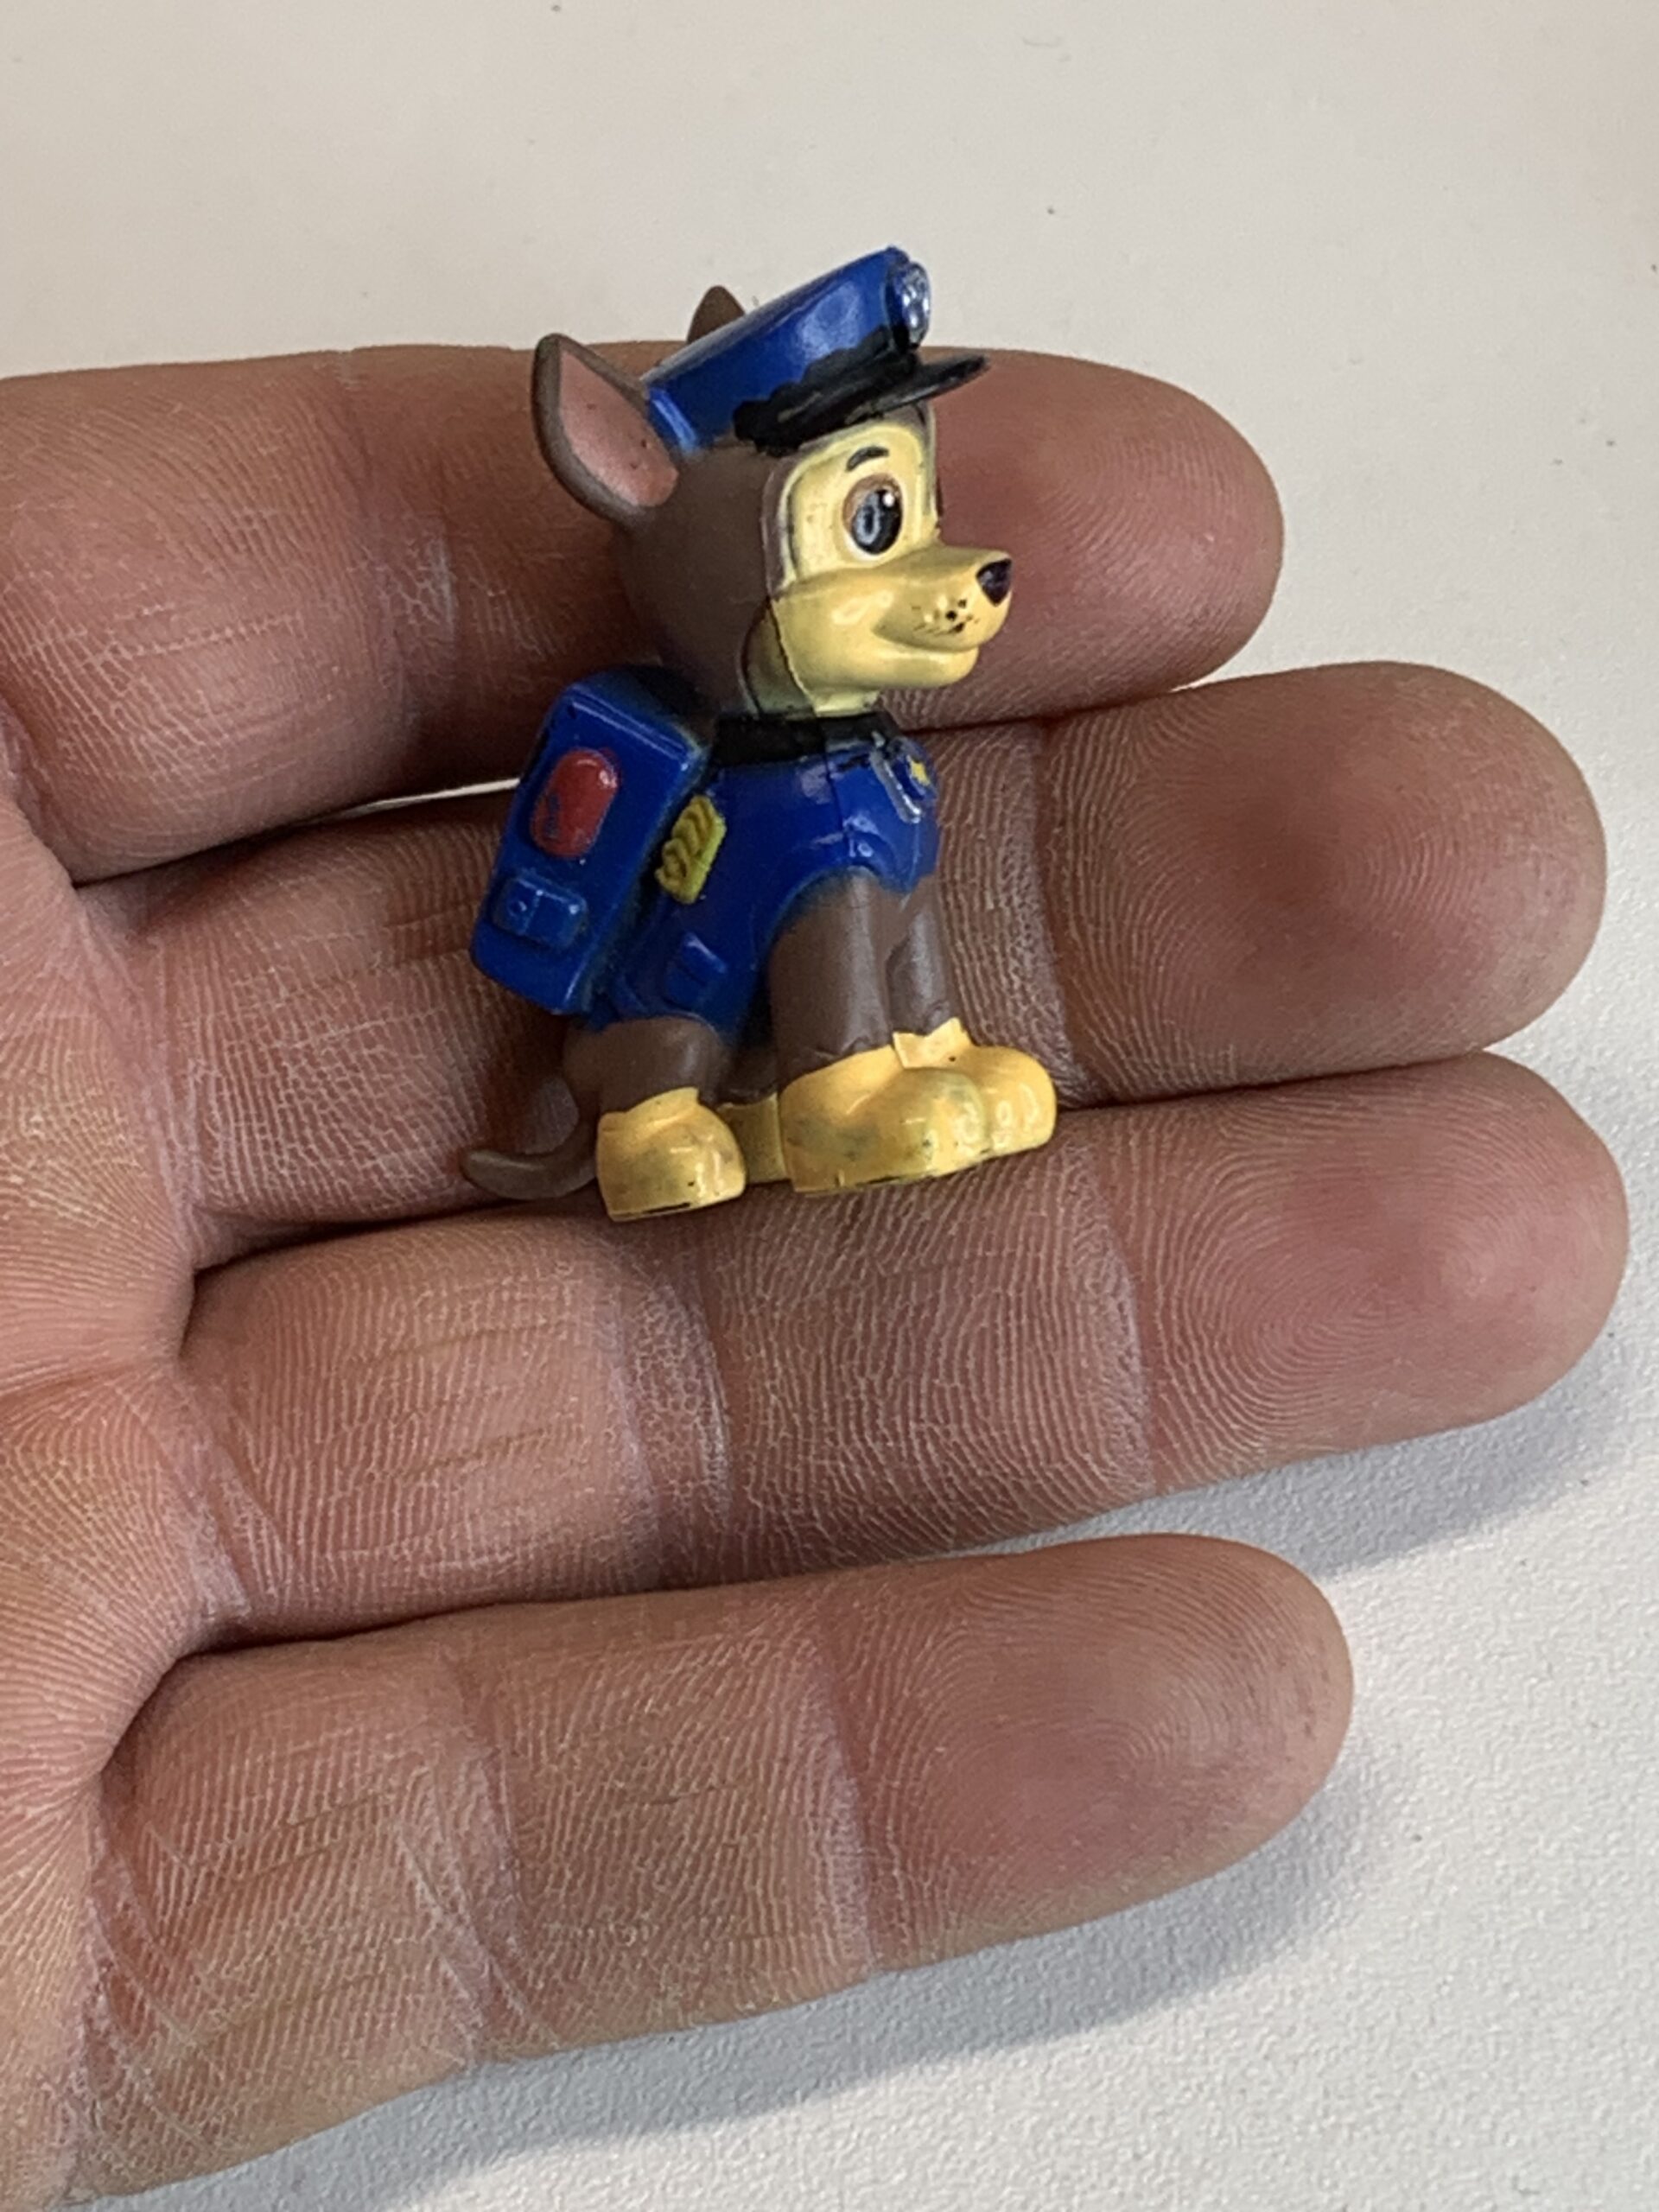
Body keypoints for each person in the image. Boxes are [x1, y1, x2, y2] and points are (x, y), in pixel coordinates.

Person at [0, 334, 1624, 2207]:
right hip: (673, 1031)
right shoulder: (774, 789)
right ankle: (687, 1122)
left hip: (830, 995)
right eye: (868, 531)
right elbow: (807, 947)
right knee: (719, 1037)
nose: (947, 573)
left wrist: (928, 1040)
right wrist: (843, 1078)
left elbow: (896, 929)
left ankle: (878, 1085)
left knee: (899, 945)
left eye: (907, 514)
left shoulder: (868, 764)